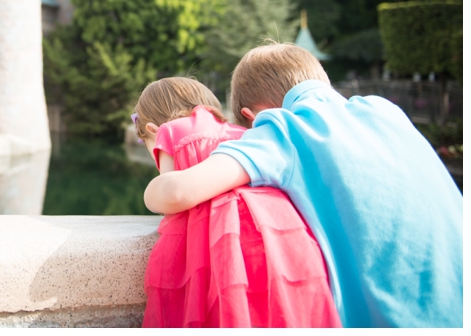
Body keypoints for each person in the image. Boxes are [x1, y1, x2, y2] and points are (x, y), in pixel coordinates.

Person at [144, 44, 463, 328]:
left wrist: (152, 189)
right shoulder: (384, 110)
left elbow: (177, 192)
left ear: (252, 117)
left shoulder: (282, 128)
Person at [134, 77, 340, 328]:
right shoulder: (242, 132)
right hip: (269, 223)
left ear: (154, 129)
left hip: (219, 232)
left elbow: (170, 197)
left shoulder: (170, 130)